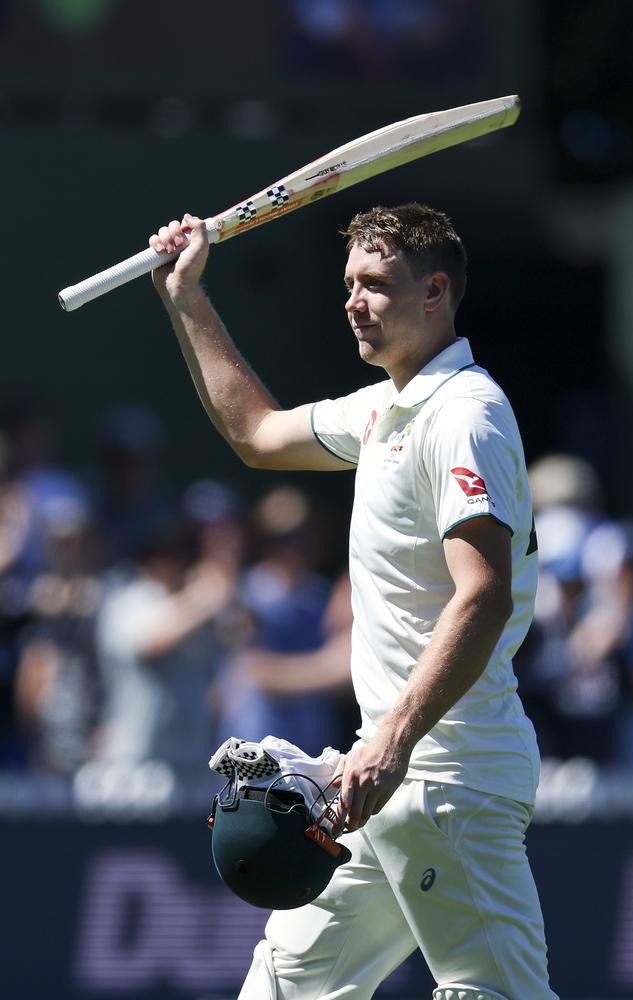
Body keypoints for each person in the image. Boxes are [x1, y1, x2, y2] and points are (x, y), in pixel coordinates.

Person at [148, 204, 557, 999]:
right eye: (349, 285)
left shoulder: (465, 415)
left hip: (448, 780)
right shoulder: (384, 409)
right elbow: (257, 434)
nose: (354, 302)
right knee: (284, 985)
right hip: (380, 782)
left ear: (436, 291)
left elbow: (484, 593)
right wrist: (187, 296)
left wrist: (395, 739)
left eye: (375, 284)